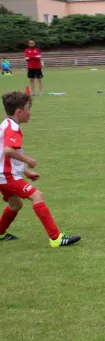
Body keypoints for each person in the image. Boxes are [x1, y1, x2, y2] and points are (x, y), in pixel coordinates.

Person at [0, 91, 81, 246]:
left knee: (16, 205)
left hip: (4, 174)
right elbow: (8, 151)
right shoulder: (13, 128)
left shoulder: (5, 125)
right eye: (28, 109)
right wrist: (28, 160)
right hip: (7, 176)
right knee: (37, 196)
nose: (30, 113)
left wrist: (27, 172)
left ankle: (0, 232)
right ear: (19, 112)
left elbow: (4, 156)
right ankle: (56, 238)